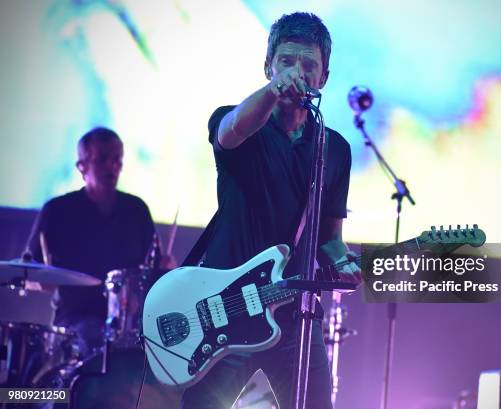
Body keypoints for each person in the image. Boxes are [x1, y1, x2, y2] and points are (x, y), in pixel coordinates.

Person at [182, 12, 361, 409]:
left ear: (323, 77)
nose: (297, 72)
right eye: (286, 61)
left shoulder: (334, 149)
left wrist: (344, 263)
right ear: (268, 66)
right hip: (227, 311)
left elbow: (329, 239)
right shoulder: (238, 121)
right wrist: (271, 92)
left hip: (295, 314)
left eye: (309, 64)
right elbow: (231, 131)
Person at [26, 127, 162, 355]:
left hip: (130, 323)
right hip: (74, 321)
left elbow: (153, 267)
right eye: (102, 159)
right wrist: (40, 282)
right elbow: (26, 273)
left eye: (117, 159)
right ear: (82, 166)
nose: (112, 166)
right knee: (91, 336)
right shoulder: (57, 210)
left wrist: (164, 268)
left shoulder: (136, 209)